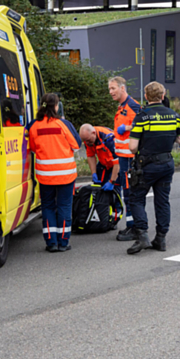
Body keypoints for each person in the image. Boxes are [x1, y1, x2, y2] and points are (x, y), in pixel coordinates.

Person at [126, 82, 180, 254]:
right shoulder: (174, 116)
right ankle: (161, 238)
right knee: (162, 201)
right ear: (163, 96)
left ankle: (142, 235)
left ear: (146, 96)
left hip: (146, 165)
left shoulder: (142, 117)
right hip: (167, 164)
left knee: (136, 198)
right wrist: (168, 138)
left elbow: (132, 147)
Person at [28, 93, 82, 252]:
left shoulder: (34, 126)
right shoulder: (63, 124)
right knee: (64, 206)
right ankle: (63, 243)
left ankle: (51, 242)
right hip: (66, 175)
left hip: (45, 176)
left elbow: (32, 148)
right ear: (57, 106)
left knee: (48, 207)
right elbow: (77, 144)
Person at [108, 76, 141, 241]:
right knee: (126, 192)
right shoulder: (122, 107)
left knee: (129, 193)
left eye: (113, 88)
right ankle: (131, 225)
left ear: (122, 88)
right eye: (110, 89)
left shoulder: (133, 105)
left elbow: (144, 123)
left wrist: (126, 127)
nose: (111, 92)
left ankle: (133, 227)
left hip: (129, 157)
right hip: (122, 156)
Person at [79, 124, 120, 194]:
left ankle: (117, 204)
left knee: (115, 190)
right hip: (104, 162)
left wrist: (112, 181)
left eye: (88, 140)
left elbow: (118, 162)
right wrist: (94, 173)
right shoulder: (88, 139)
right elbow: (90, 156)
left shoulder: (109, 139)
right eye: (85, 141)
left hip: (117, 164)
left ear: (94, 133)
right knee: (99, 187)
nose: (87, 143)